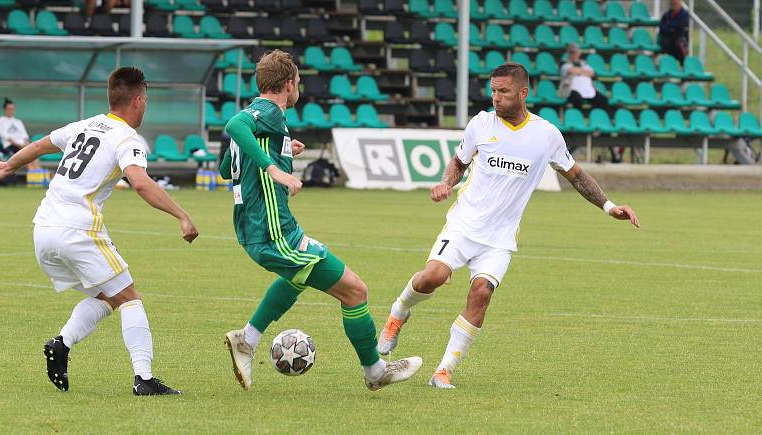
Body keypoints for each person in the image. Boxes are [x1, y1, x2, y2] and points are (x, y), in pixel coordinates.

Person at [376, 62, 640, 389]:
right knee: (434, 276)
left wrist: (609, 207)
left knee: (481, 292)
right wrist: (446, 183)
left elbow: (577, 176)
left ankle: (444, 370)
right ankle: (397, 314)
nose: (496, 98)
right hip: (464, 224)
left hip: (499, 239)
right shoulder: (481, 124)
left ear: (523, 93)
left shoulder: (546, 135)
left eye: (504, 92)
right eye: (493, 91)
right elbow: (458, 162)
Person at [0, 67, 199, 396]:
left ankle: (62, 344)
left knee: (107, 298)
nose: (146, 106)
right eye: (146, 100)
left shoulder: (84, 125)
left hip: (43, 229)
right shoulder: (126, 138)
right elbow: (139, 182)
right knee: (129, 298)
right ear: (137, 101)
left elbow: (39, 146)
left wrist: (7, 166)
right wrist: (181, 215)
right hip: (78, 229)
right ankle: (144, 379)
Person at [220, 49, 422, 392]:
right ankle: (375, 371)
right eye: (297, 82)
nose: (298, 88)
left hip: (255, 229)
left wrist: (281, 149)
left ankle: (247, 340)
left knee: (296, 279)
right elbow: (234, 126)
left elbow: (228, 169)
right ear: (288, 84)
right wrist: (275, 169)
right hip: (274, 231)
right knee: (356, 291)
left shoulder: (264, 118)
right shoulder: (266, 112)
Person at [0, 98, 41, 170]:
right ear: (5, 109)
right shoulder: (0, 121)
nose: (11, 111)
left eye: (13, 109)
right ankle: (35, 176)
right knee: (27, 156)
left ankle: (39, 174)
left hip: (23, 146)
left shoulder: (18, 121)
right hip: (10, 146)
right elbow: (7, 138)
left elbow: (26, 137)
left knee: (34, 153)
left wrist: (27, 146)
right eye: (9, 109)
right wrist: (21, 146)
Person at [558, 43, 608, 109]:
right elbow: (572, 71)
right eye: (572, 52)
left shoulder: (584, 63)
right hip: (571, 90)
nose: (574, 54)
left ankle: (593, 116)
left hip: (587, 89)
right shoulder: (564, 64)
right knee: (577, 100)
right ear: (568, 53)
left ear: (579, 53)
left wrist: (578, 71)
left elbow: (591, 73)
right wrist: (583, 71)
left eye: (575, 52)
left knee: (603, 100)